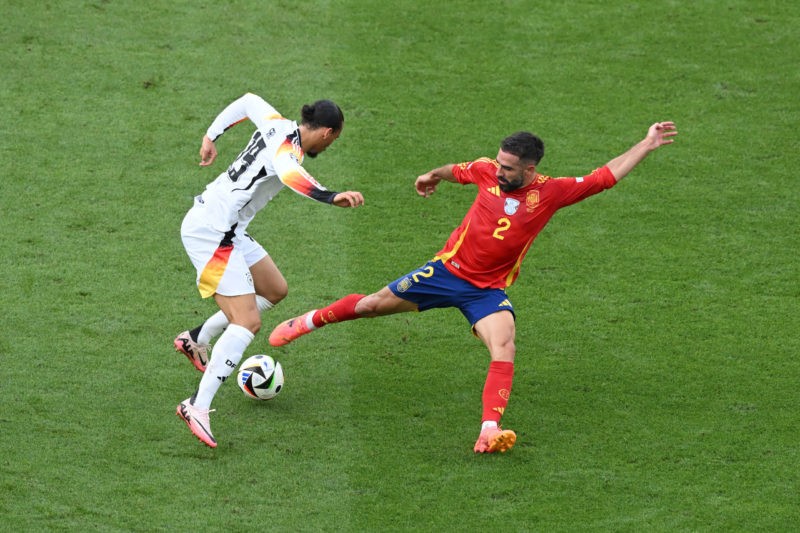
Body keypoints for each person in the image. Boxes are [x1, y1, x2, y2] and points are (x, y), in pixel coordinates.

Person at [268, 121, 678, 453]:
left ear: (530, 169)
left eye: (509, 168)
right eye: (499, 164)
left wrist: (645, 144)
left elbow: (606, 176)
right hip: (446, 273)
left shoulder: (551, 193)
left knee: (505, 346)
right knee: (373, 305)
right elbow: (456, 170)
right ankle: (309, 321)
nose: (499, 171)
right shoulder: (486, 170)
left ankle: (489, 429)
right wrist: (432, 176)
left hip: (487, 291)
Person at [175, 92, 364, 448]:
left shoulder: (277, 123)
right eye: (334, 139)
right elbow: (292, 175)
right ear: (327, 133)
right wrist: (331, 196)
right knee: (247, 321)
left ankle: (196, 338)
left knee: (274, 289)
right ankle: (197, 406)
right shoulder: (287, 153)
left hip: (228, 229)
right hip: (213, 235)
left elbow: (247, 101)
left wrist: (211, 136)